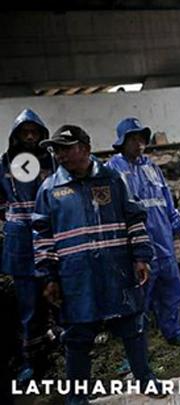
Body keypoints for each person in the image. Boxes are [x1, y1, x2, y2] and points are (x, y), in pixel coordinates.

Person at [33, 125, 163, 404]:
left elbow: (134, 218)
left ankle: (145, 379)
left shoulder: (113, 178)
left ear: (86, 149)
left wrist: (141, 257)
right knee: (77, 336)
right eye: (56, 149)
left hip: (117, 271)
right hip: (75, 277)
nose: (60, 155)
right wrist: (49, 277)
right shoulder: (50, 189)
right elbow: (42, 235)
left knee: (133, 326)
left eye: (66, 148)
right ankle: (77, 397)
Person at [106, 117, 180, 346]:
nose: (139, 143)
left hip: (163, 241)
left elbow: (167, 201)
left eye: (141, 138)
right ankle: (136, 344)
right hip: (136, 245)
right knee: (139, 296)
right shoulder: (113, 169)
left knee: (171, 288)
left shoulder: (153, 168)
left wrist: (179, 230)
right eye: (132, 138)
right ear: (122, 142)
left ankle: (173, 330)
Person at [0, 109, 55, 385]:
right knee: (27, 306)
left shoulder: (53, 161)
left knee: (56, 296)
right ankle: (28, 361)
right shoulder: (4, 164)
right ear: (17, 136)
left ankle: (59, 349)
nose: (31, 137)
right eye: (25, 132)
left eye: (35, 132)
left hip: (50, 236)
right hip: (20, 244)